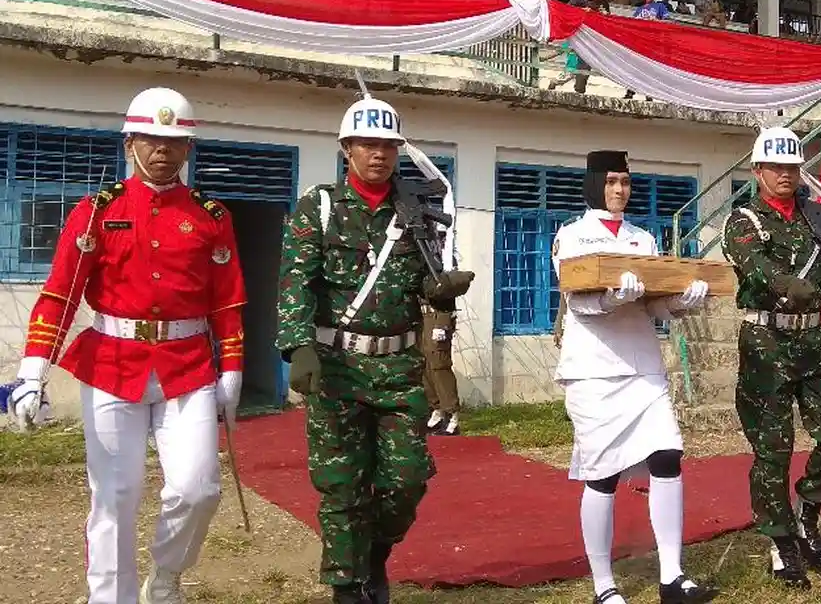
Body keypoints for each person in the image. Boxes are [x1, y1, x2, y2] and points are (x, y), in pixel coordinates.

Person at [8, 87, 247, 604]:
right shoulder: (98, 212)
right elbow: (59, 294)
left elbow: (227, 302)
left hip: (188, 369)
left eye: (172, 140)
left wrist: (232, 369)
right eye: (149, 138)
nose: (161, 149)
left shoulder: (212, 216)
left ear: (187, 149)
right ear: (129, 143)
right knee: (115, 497)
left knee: (198, 490)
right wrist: (32, 371)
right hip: (112, 365)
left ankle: (166, 577)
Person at [277, 94, 473, 604]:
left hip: (398, 368)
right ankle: (347, 586)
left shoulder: (417, 212)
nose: (377, 154)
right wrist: (298, 347)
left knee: (405, 480)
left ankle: (374, 555)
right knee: (341, 485)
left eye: (387, 144)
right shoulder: (318, 209)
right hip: (337, 367)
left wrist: (439, 290)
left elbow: (428, 277)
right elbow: (295, 282)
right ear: (347, 148)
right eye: (367, 143)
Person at [552, 150, 717, 604]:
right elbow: (579, 302)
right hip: (593, 373)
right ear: (593, 185)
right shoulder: (572, 237)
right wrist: (609, 300)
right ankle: (604, 586)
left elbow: (655, 305)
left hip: (643, 369)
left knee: (667, 458)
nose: (620, 190)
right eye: (610, 182)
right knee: (601, 476)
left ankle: (672, 576)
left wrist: (685, 302)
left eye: (625, 181)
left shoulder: (643, 239)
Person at [720, 126, 821, 589]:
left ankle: (809, 513)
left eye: (792, 167)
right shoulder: (744, 220)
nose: (785, 175)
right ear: (758, 171)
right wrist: (783, 283)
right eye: (775, 167)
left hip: (815, 341)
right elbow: (754, 265)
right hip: (766, 343)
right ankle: (781, 540)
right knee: (773, 449)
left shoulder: (815, 219)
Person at [421, 305, 461, 435]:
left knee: (440, 366)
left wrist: (442, 324)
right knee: (425, 365)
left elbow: (446, 294)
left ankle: (451, 414)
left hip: (437, 316)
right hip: (422, 318)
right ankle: (436, 409)